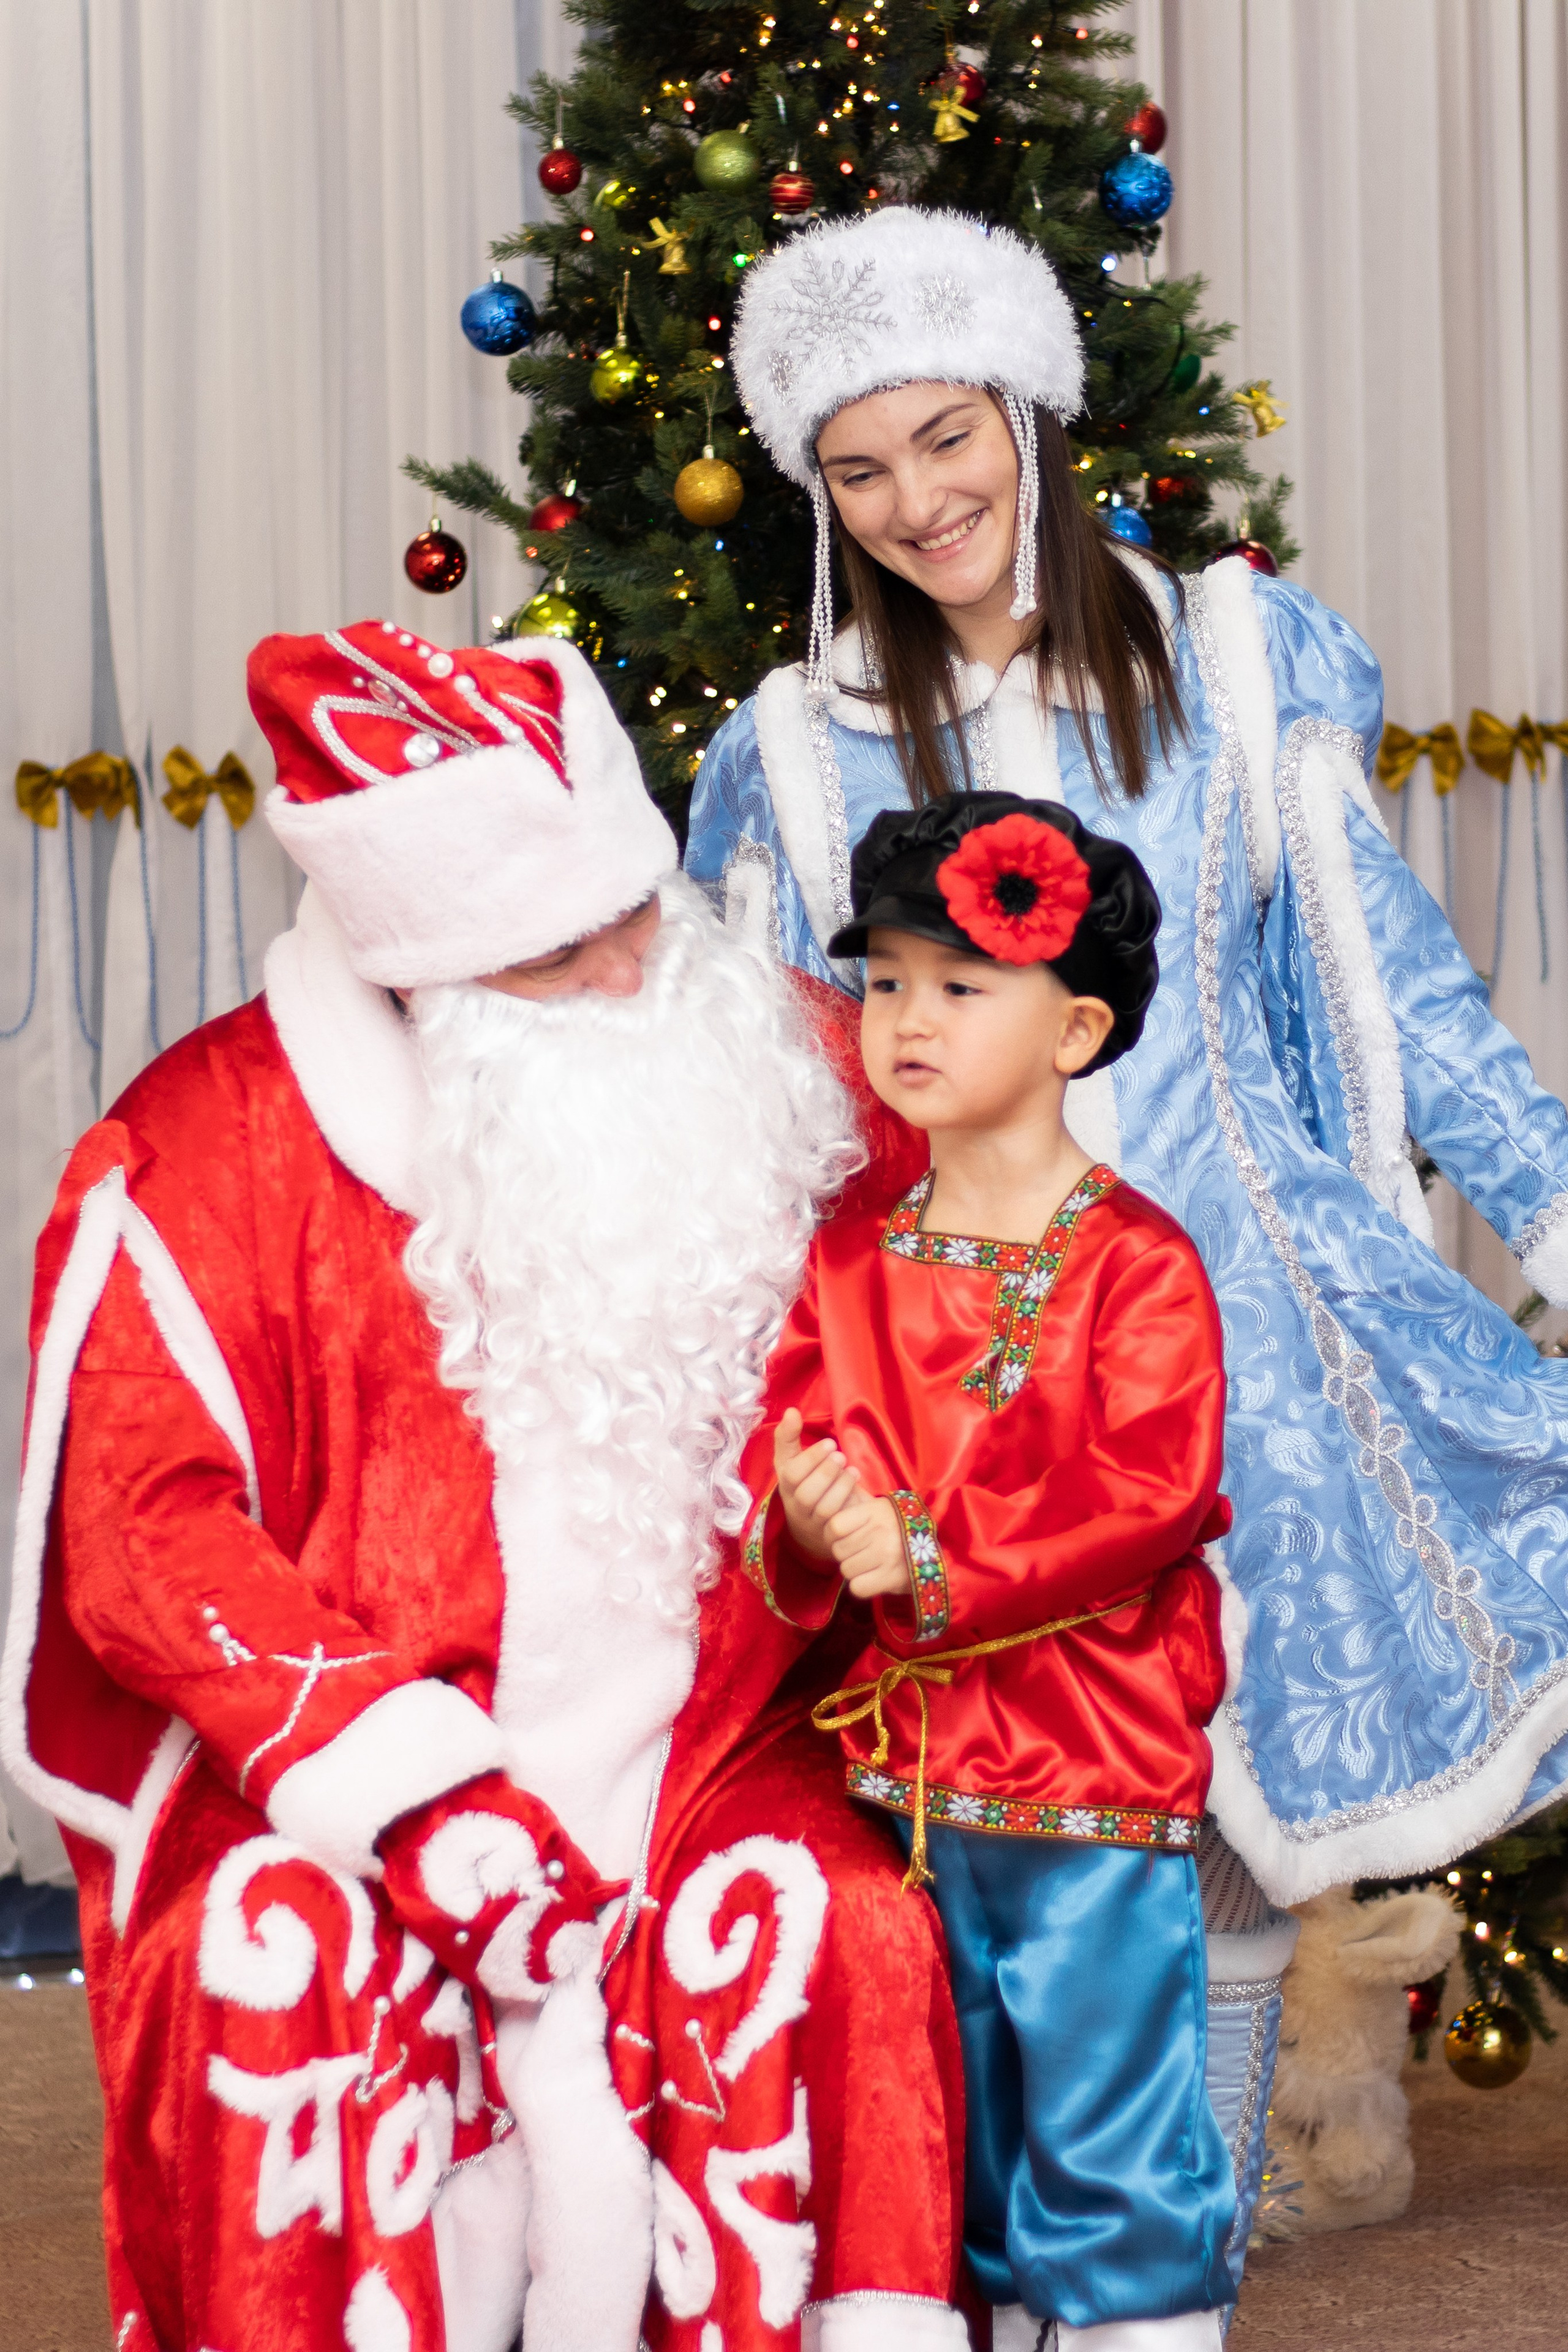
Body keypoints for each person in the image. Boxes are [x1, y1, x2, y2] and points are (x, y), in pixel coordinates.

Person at [686, 202, 1568, 2274]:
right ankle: (1042, 2256)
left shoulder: (1236, 662)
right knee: (1052, 1837)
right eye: (858, 470)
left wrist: (1548, 1207)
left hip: (1255, 1322)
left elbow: (1401, 988)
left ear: (1029, 415)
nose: (917, 502)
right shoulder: (795, 750)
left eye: (945, 439)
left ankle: (1195, 2253)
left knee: (1236, 1817)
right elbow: (758, 1099)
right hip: (972, 1371)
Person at [0, 622, 968, 2352]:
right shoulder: (209, 1147)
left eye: (636, 910)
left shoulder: (790, 1070)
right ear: (419, 976)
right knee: (268, 1950)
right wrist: (414, 1797)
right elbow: (142, 1532)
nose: (627, 972)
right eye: (553, 955)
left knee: (849, 1920)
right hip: (348, 1762)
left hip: (716, 1742)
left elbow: (1002, 1310)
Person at [741, 791, 1237, 2352]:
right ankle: (984, 2312)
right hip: (897, 1779)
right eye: (885, 981)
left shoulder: (1137, 1264)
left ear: (1075, 1030)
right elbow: (792, 1462)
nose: (906, 1018)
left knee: (1102, 2090)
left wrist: (924, 1550)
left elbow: (1147, 1493)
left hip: (1086, 1761)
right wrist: (806, 1517)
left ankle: (1142, 2320)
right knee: (939, 2093)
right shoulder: (846, 1262)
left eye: (959, 986)